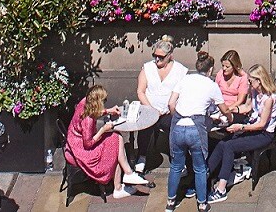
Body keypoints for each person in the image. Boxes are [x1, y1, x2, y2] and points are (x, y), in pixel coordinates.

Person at [208, 66, 276, 201]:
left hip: (264, 134)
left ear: (259, 81)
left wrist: (241, 127)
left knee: (229, 146)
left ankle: (221, 189)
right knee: (223, 142)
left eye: (251, 81)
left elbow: (261, 124)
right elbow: (247, 107)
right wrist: (229, 110)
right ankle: (207, 172)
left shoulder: (269, 99)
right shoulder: (255, 92)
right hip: (253, 127)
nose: (249, 84)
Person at [165, 51, 222, 212]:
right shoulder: (211, 85)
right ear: (210, 70)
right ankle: (202, 203)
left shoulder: (184, 79)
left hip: (178, 128)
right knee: (200, 168)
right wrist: (229, 117)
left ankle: (171, 202)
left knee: (176, 166)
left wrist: (178, 116)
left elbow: (171, 104)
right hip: (195, 130)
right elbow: (223, 108)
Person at [64, 86, 143, 200]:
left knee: (117, 138)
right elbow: (88, 144)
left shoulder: (84, 102)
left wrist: (108, 111)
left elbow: (93, 110)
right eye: (103, 101)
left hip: (74, 144)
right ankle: (122, 183)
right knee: (115, 144)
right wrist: (103, 130)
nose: (104, 103)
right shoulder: (88, 121)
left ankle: (126, 176)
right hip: (81, 151)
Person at [134, 39, 185, 176]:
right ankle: (142, 156)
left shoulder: (180, 70)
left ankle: (178, 158)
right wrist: (151, 109)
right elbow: (140, 91)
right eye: (155, 56)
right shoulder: (147, 68)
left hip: (169, 111)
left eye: (161, 57)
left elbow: (182, 94)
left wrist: (171, 108)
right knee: (145, 126)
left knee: (174, 126)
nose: (157, 59)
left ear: (170, 56)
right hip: (149, 109)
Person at [212, 53, 250, 121]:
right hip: (219, 106)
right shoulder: (220, 74)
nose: (224, 69)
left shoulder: (242, 77)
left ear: (234, 66)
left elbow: (240, 100)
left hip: (233, 108)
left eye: (227, 67)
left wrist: (227, 110)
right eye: (223, 66)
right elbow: (214, 92)